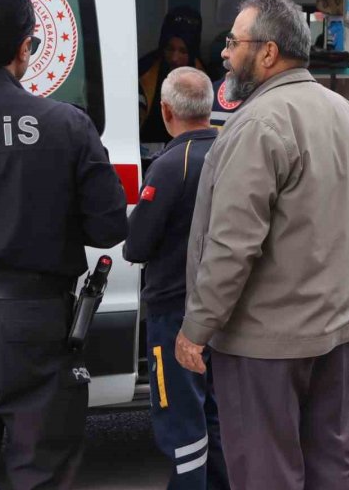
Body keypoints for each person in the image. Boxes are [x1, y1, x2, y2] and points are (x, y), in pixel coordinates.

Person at [174, 0, 349, 490]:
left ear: (268, 52)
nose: (225, 53)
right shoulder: (345, 113)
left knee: (266, 470)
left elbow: (231, 245)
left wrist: (197, 327)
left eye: (234, 42)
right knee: (332, 461)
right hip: (334, 331)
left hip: (263, 344)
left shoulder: (258, 123)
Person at [0, 0, 128, 489]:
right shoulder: (65, 123)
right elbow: (110, 227)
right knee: (41, 470)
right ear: (25, 47)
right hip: (36, 321)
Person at [123, 66, 229, 490]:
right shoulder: (232, 151)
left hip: (175, 314)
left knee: (180, 422)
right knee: (215, 418)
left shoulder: (171, 165)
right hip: (224, 309)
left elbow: (136, 246)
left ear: (165, 110)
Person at [139, 5, 204, 147]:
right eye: (170, 49)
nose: (175, 58)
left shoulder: (205, 79)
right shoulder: (144, 73)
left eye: (183, 51)